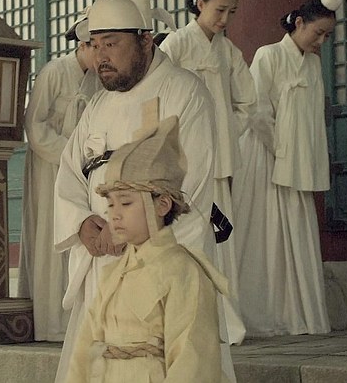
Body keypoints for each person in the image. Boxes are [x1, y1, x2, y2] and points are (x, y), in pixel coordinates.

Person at [53, 0, 237, 381]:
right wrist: (82, 223)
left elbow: (191, 185)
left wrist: (129, 233)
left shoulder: (184, 91)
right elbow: (69, 173)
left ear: (145, 40)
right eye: (95, 45)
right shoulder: (98, 106)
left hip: (161, 269)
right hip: (101, 262)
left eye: (111, 44)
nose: (101, 56)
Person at [65, 112, 229, 383]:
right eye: (111, 204)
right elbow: (83, 352)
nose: (115, 214)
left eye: (126, 203)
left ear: (162, 205)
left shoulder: (184, 272)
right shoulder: (113, 274)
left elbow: (192, 360)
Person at [232, 0, 343, 336]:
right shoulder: (269, 55)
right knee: (263, 231)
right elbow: (256, 109)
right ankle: (260, 312)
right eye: (318, 33)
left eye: (327, 36)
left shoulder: (312, 64)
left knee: (296, 227)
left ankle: (300, 313)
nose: (321, 42)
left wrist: (301, 157)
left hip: (296, 161)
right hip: (265, 155)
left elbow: (311, 119)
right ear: (299, 23)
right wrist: (281, 149)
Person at [159, 0, 256, 306]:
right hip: (183, 158)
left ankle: (224, 311)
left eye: (232, 12)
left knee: (219, 233)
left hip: (218, 159)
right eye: (219, 10)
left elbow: (247, 102)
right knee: (186, 229)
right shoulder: (175, 44)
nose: (225, 19)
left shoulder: (228, 52)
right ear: (200, 4)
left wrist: (224, 133)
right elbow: (158, 94)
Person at [18, 19, 100, 341]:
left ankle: (74, 317)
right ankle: (50, 320)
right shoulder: (54, 72)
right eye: (96, 48)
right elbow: (34, 123)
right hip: (50, 165)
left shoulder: (97, 80)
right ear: (82, 46)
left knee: (78, 229)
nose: (102, 56)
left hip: (82, 167)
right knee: (52, 233)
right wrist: (67, 151)